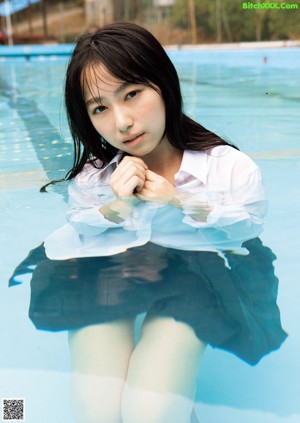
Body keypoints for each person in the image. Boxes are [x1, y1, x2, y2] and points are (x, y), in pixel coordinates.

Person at [14, 22, 286, 423]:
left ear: (163, 83)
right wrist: (117, 208)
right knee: (100, 415)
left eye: (132, 93)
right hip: (109, 273)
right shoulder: (94, 177)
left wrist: (179, 200)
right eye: (100, 108)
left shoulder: (228, 168)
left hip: (197, 277)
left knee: (148, 413)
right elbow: (80, 227)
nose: (122, 122)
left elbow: (248, 228)